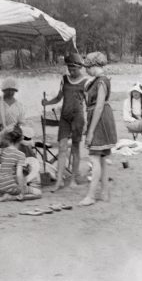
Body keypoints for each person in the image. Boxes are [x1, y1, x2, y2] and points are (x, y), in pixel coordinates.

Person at [42, 54, 88, 191]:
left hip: (78, 118)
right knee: (62, 147)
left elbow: (88, 102)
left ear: (80, 67)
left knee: (75, 148)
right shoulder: (64, 79)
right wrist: (47, 102)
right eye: (69, 69)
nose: (71, 72)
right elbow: (58, 97)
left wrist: (88, 122)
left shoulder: (85, 82)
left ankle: (73, 179)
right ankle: (59, 181)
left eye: (73, 69)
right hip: (64, 118)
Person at [79, 52, 118, 206]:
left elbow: (99, 105)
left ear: (94, 66)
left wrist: (90, 131)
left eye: (88, 68)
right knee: (101, 158)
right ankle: (104, 192)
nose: (86, 71)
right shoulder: (99, 80)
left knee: (94, 157)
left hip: (100, 119)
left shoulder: (101, 81)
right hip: (100, 117)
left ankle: (91, 195)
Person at [0, 128, 43, 201]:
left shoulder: (4, 151)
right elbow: (19, 174)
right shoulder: (20, 154)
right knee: (38, 193)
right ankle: (11, 197)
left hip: (0, 186)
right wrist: (22, 190)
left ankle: (6, 193)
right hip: (10, 187)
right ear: (21, 140)